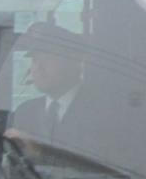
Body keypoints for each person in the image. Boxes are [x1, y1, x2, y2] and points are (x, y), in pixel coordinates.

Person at [7, 22, 105, 156]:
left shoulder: (102, 112)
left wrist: (40, 152)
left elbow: (101, 163)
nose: (38, 68)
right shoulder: (24, 112)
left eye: (47, 58)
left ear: (74, 60)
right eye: (35, 59)